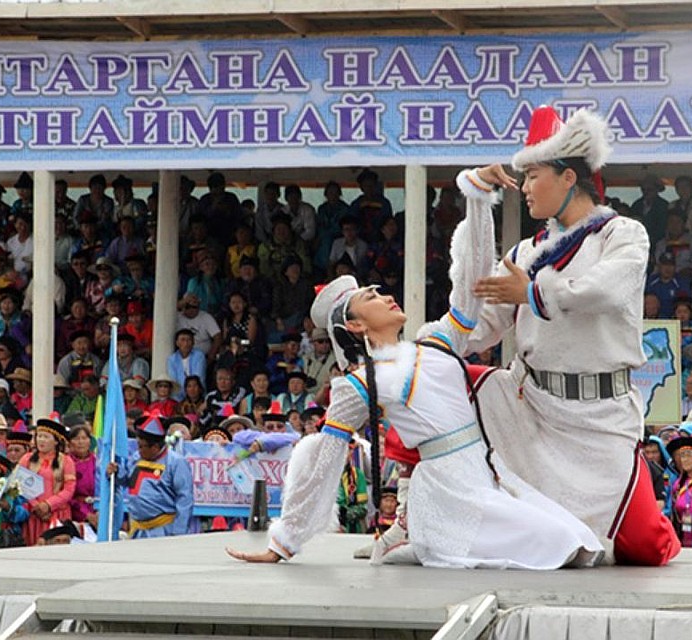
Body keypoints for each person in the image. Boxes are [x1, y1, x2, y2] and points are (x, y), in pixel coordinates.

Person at [227, 165, 604, 569]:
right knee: (558, 546)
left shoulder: (435, 341)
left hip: (486, 473)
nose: (385, 296)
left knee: (580, 541)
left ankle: (404, 535)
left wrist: (477, 197)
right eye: (371, 297)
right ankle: (410, 533)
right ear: (355, 325)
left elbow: (472, 283)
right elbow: (326, 458)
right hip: (450, 492)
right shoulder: (359, 384)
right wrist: (284, 542)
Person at [462, 106, 679, 566]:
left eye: (532, 174)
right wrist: (416, 349)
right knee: (434, 382)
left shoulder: (623, 234)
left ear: (567, 177)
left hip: (600, 420)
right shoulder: (524, 252)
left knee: (646, 547)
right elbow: (481, 325)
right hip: (532, 413)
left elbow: (604, 290)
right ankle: (411, 515)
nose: (523, 188)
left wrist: (532, 291)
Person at [107, 415, 193, 538]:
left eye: (142, 446)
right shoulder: (137, 457)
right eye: (138, 445)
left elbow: (185, 499)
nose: (139, 449)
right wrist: (116, 472)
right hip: (137, 529)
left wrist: (178, 532)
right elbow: (127, 480)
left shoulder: (176, 462)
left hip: (163, 530)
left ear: (155, 447)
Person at [18, 416, 76, 546]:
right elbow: (20, 486)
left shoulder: (66, 461)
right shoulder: (26, 459)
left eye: (46, 437)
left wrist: (48, 505)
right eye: (39, 436)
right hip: (33, 514)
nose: (41, 440)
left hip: (57, 514)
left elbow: (69, 489)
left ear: (56, 441)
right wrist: (36, 506)